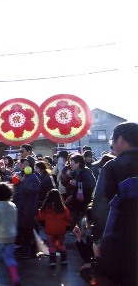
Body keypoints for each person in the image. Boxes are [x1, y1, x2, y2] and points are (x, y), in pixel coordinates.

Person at [91, 122, 138, 285]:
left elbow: (102, 208)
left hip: (123, 243)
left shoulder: (113, 167)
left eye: (112, 140)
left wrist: (99, 241)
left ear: (121, 140)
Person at [12, 158, 41, 259]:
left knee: (28, 230)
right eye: (23, 163)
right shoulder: (20, 175)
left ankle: (31, 251)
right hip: (19, 207)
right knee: (21, 229)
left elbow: (34, 190)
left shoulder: (34, 176)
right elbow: (16, 190)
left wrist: (24, 182)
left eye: (26, 164)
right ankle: (23, 248)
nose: (24, 165)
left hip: (28, 208)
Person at [36, 189, 71, 267]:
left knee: (52, 245)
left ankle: (53, 261)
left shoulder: (46, 208)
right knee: (61, 244)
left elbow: (40, 217)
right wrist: (66, 225)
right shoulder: (63, 208)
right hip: (61, 229)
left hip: (50, 230)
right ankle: (64, 260)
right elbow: (68, 217)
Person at [65, 154, 96, 229]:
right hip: (77, 198)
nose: (70, 164)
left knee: (82, 216)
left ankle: (82, 232)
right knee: (76, 214)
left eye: (71, 162)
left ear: (78, 163)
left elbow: (91, 184)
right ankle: (77, 230)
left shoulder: (86, 171)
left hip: (85, 199)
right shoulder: (76, 172)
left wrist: (76, 183)